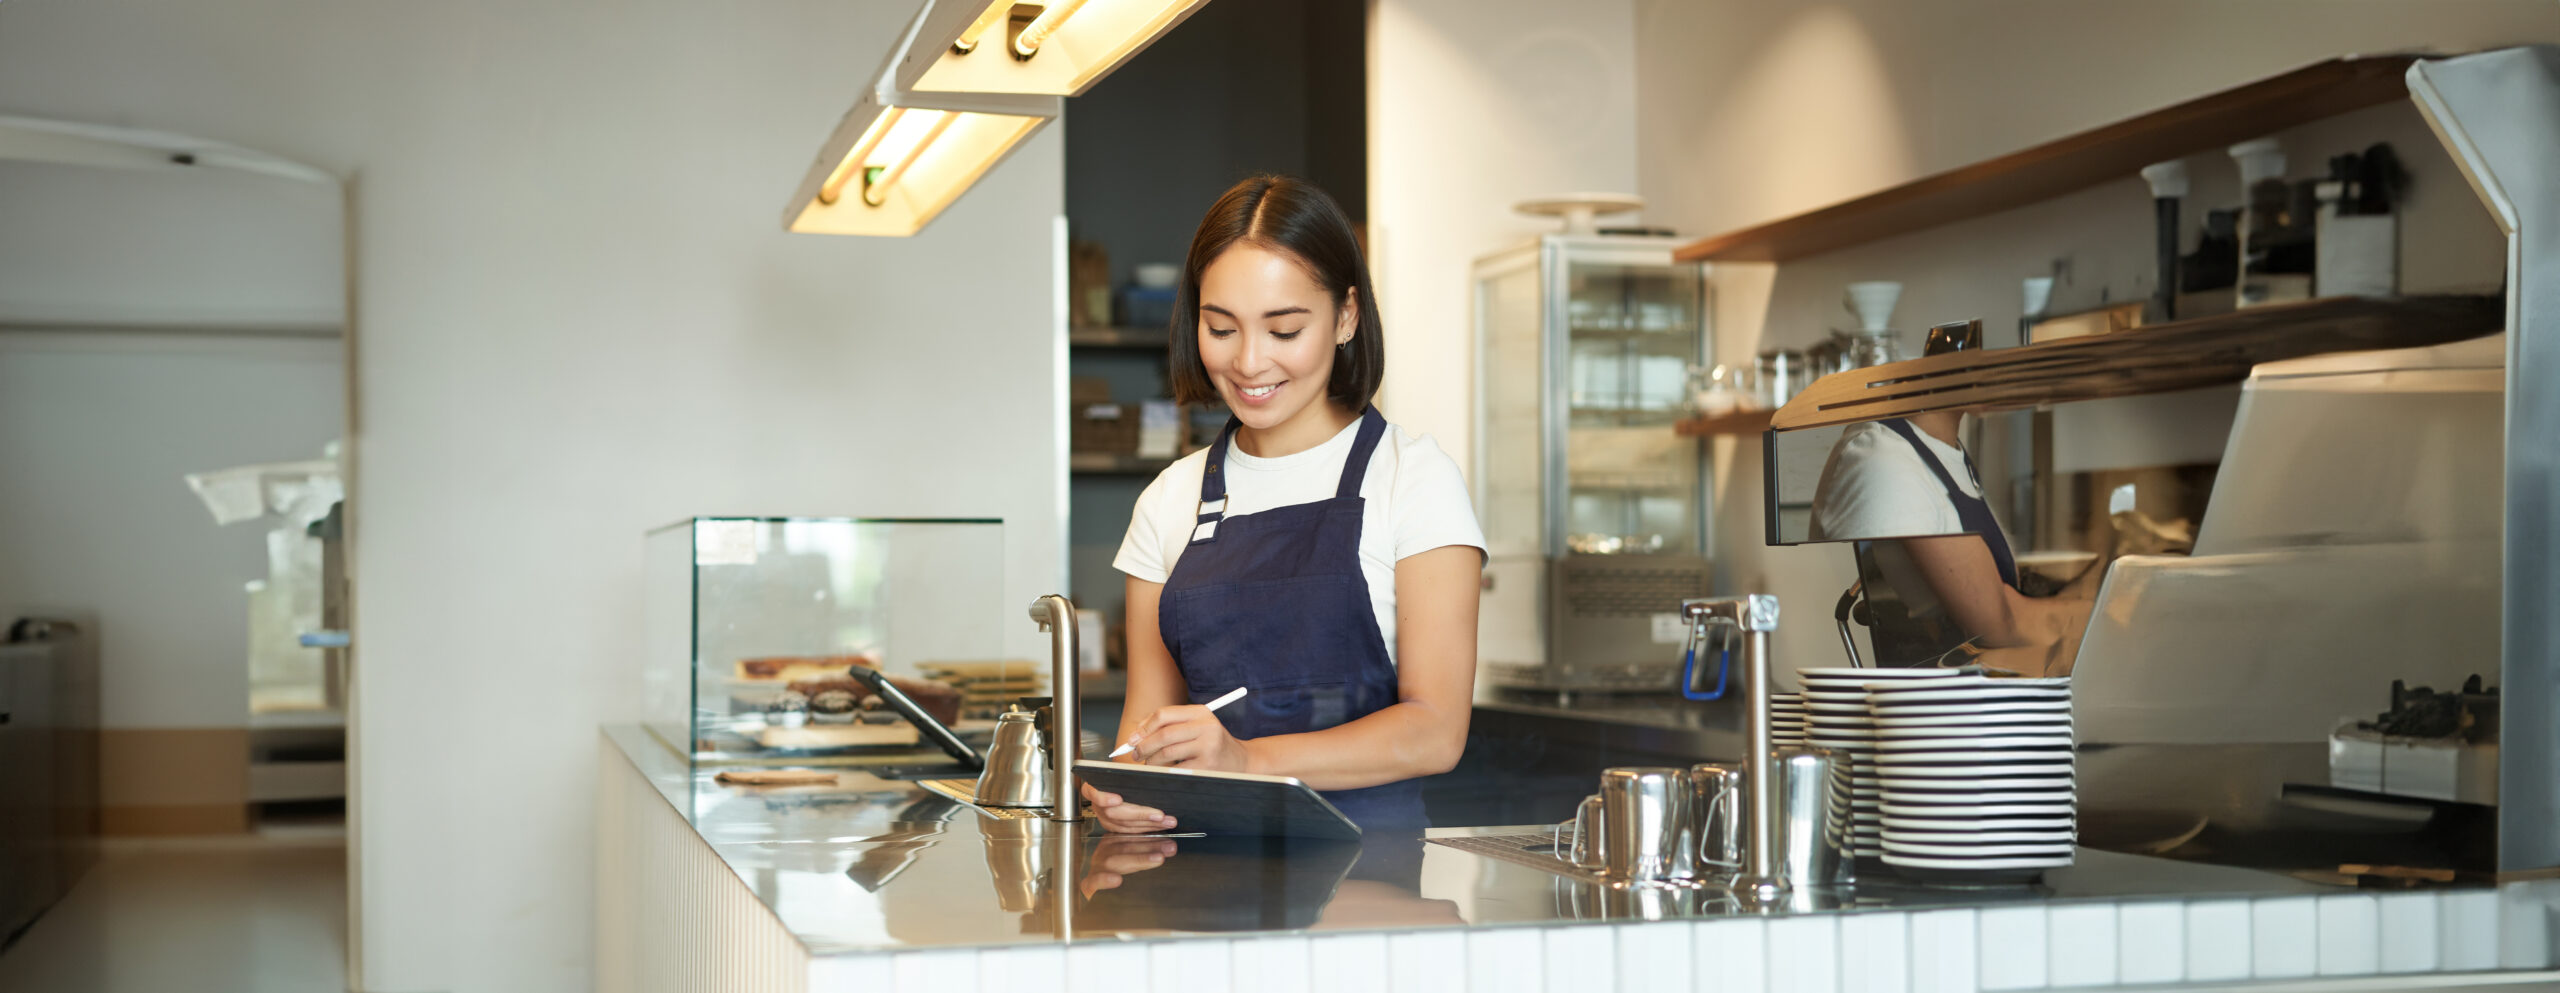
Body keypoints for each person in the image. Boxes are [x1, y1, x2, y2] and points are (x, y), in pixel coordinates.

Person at [1080, 175, 1486, 833]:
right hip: (1198, 898)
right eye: (1221, 327)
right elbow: (1143, 733)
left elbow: (1435, 730)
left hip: (1364, 896)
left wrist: (1242, 758)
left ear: (1346, 316)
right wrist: (1131, 793)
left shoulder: (1413, 480)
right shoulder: (1169, 500)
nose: (1248, 361)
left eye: (1284, 328)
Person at [1809, 403, 2085, 675]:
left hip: (1964, 691)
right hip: (1926, 701)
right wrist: (2109, 611)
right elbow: (2002, 624)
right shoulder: (1883, 456)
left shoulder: (1945, 452)